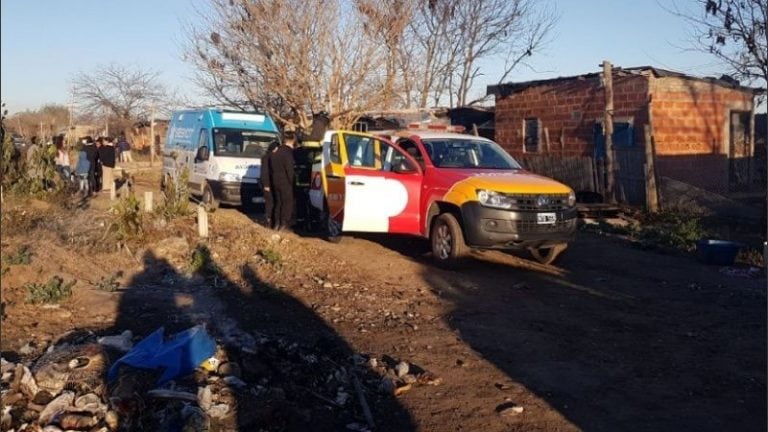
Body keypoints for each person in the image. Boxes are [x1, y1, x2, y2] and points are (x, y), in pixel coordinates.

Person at [271, 125, 296, 231]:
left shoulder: (276, 152)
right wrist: (293, 183)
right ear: (293, 140)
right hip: (285, 182)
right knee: (287, 203)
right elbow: (290, 170)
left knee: (278, 203)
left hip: (275, 181)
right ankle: (284, 224)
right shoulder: (288, 153)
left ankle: (276, 223)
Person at [260, 140, 280, 229]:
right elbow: (264, 172)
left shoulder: (273, 157)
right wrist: (266, 185)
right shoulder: (266, 158)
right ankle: (268, 220)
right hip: (268, 184)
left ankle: (272, 221)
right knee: (270, 203)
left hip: (273, 183)